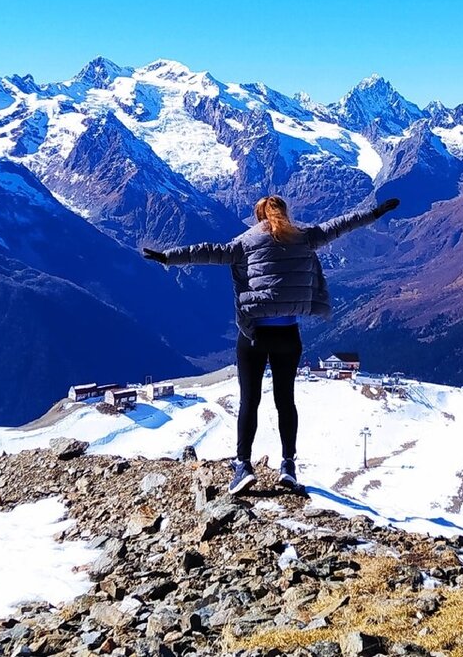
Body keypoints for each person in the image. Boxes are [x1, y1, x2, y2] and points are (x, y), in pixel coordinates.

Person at [143, 194, 400, 494]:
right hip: (288, 336)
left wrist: (167, 257)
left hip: (254, 336)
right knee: (285, 401)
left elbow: (208, 252)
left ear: (259, 216)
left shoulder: (245, 242)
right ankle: (288, 465)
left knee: (249, 402)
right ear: (285, 213)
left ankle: (243, 467)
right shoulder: (304, 237)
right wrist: (375, 212)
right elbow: (342, 225)